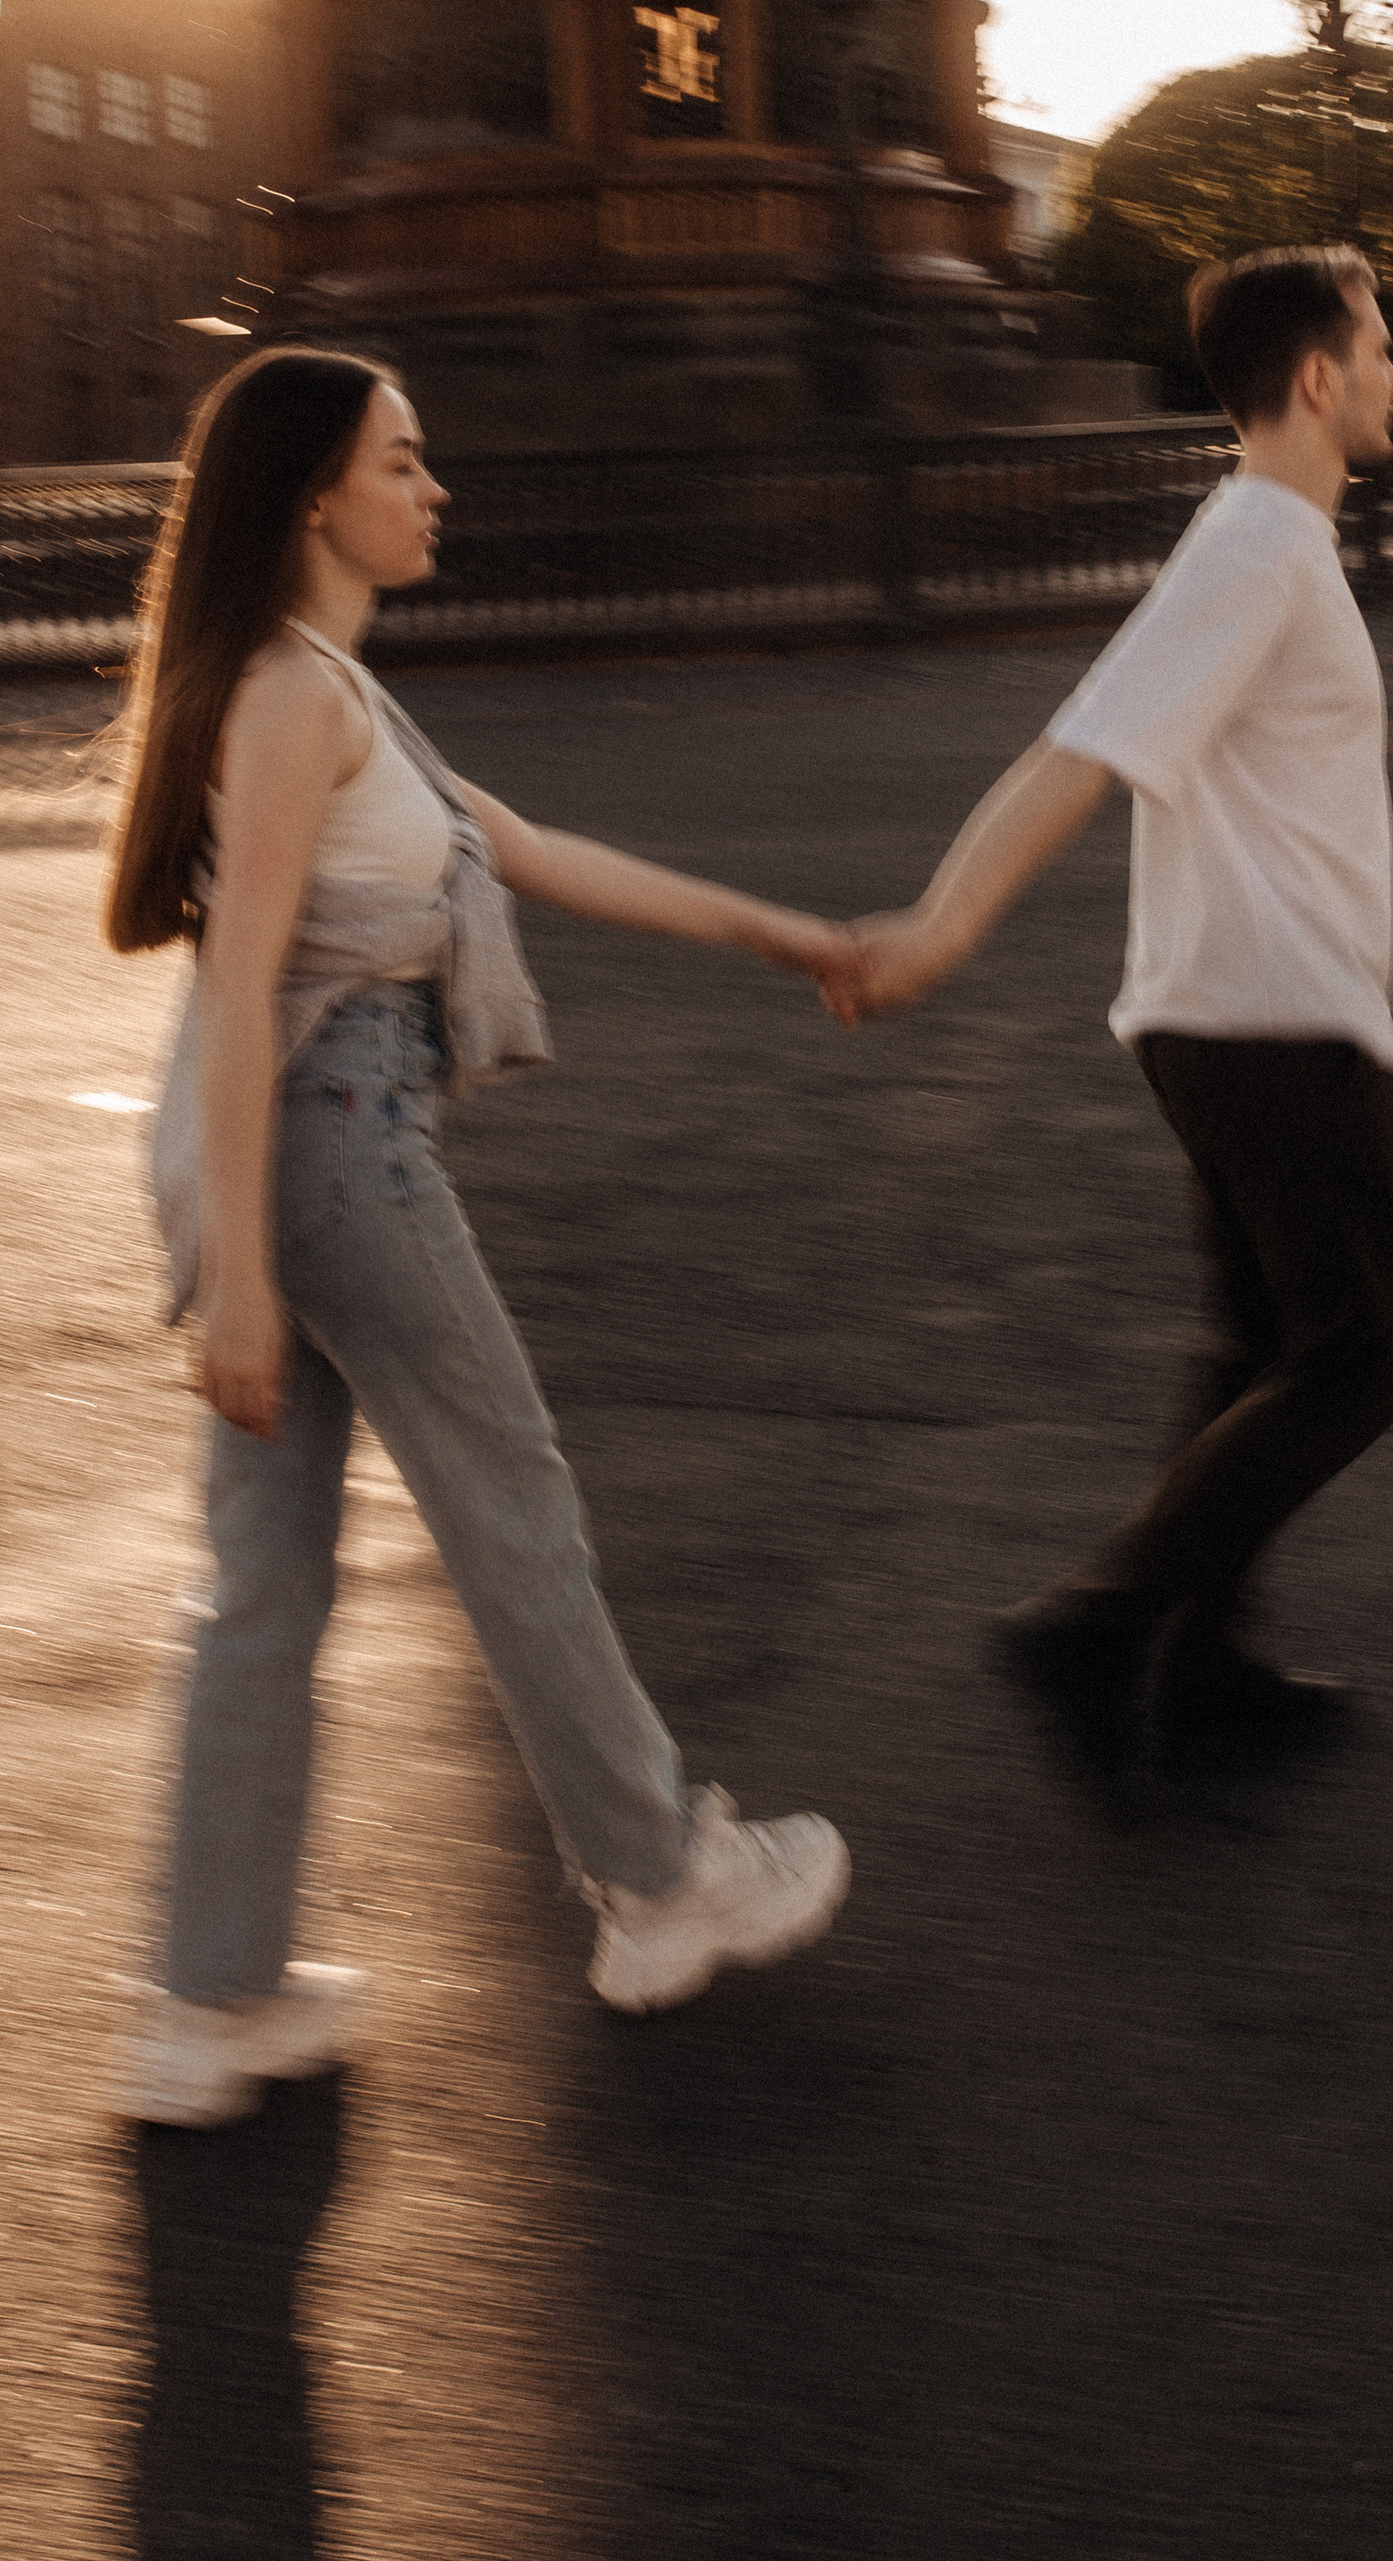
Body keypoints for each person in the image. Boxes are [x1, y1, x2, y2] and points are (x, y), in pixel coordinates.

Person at [107, 349, 854, 2127]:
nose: (435, 489)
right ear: (315, 500)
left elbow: (524, 851)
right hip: (335, 1145)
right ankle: (661, 1879)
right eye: (406, 461)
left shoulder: (335, 691)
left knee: (268, 1583)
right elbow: (241, 987)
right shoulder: (295, 702)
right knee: (511, 1502)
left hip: (297, 1146)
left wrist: (788, 935)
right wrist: (246, 1281)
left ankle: (205, 2003)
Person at [838, 246, 1393, 1798]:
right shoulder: (1257, 545)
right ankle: (1099, 1624)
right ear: (1315, 377)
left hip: (1239, 1006)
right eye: (1377, 349)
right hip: (1271, 1015)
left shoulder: (1272, 542)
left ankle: (1205, 1664)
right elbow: (1080, 751)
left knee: (1258, 1345)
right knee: (1360, 1358)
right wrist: (941, 928)